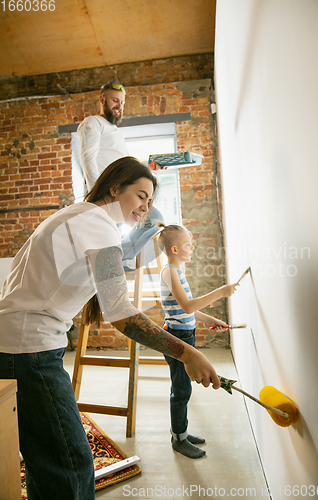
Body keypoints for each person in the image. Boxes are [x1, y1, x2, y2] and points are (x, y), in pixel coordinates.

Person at [0, 157, 221, 500]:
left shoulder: (80, 217)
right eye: (141, 195)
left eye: (150, 201)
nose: (145, 207)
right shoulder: (97, 224)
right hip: (28, 350)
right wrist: (186, 352)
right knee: (71, 467)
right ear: (115, 187)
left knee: (49, 460)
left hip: (20, 344)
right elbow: (120, 312)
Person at [158, 224, 239, 459]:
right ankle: (179, 439)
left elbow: (187, 311)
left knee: (183, 387)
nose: (192, 248)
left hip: (185, 335)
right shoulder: (169, 272)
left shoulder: (177, 272)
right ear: (175, 248)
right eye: (188, 244)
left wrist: (211, 319)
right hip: (177, 337)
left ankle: (180, 432)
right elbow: (188, 307)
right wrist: (221, 292)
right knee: (181, 389)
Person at [77, 81, 164, 265]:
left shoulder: (115, 131)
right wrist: (97, 196)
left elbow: (127, 169)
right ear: (102, 100)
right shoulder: (94, 123)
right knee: (154, 217)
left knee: (154, 218)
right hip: (109, 195)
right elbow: (88, 159)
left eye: (122, 102)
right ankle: (115, 260)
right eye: (115, 100)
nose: (119, 106)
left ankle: (117, 259)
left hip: (120, 193)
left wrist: (149, 167)